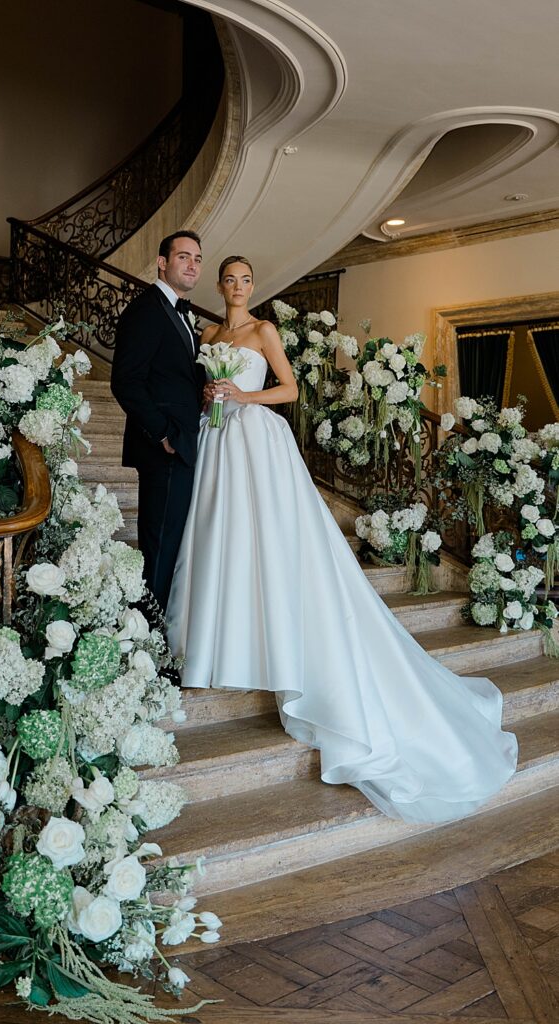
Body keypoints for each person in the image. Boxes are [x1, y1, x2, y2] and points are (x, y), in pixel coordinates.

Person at [166, 255, 518, 824]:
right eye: (228, 279)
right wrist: (212, 399)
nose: (236, 287)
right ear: (219, 285)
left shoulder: (264, 330)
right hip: (218, 444)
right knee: (217, 538)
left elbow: (289, 390)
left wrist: (239, 396)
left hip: (256, 441)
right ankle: (221, 641)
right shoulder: (207, 332)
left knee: (269, 543)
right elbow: (208, 386)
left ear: (253, 286)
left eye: (244, 280)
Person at [111, 231, 204, 610]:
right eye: (183, 257)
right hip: (164, 447)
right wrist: (163, 433)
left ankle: (155, 630)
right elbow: (126, 381)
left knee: (170, 544)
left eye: (197, 258)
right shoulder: (146, 309)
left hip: (181, 443)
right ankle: (147, 636)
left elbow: (174, 376)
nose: (192, 264)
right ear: (162, 263)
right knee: (160, 547)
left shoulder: (181, 313)